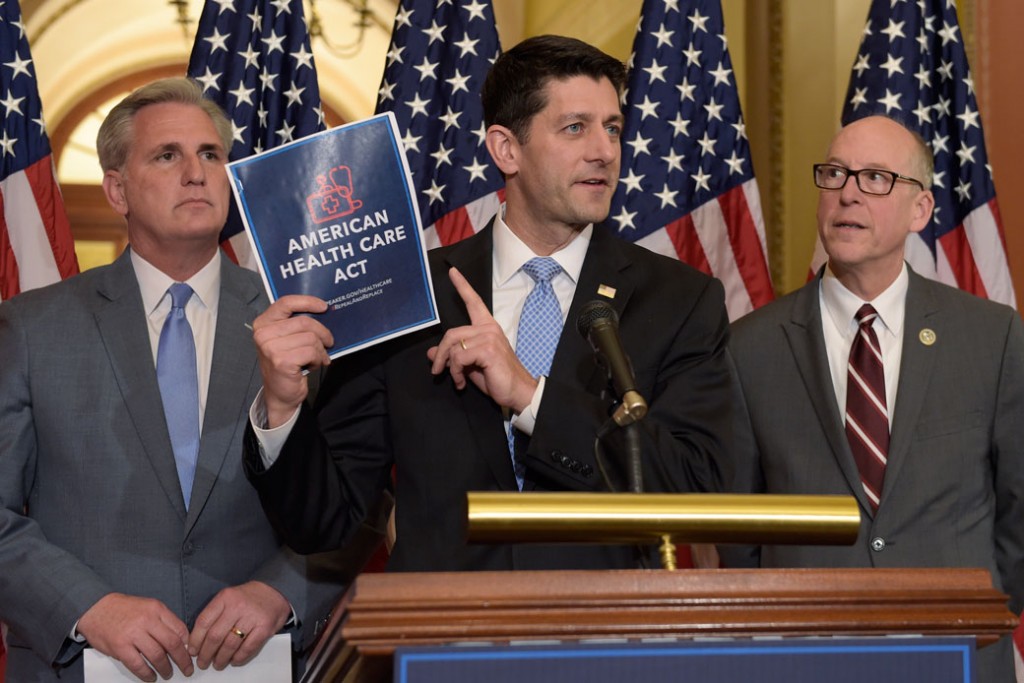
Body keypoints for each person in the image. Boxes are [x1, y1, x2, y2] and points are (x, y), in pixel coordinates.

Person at [243, 35, 733, 571]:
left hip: (603, 638)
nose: (605, 151)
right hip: (440, 639)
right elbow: (324, 522)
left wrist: (529, 397)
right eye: (575, 128)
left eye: (612, 128)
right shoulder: (409, 293)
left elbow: (701, 489)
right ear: (506, 149)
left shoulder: (680, 300)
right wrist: (284, 409)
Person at [0, 78, 362, 682]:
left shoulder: (306, 322)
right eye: (167, 156)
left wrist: (279, 593)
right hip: (79, 667)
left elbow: (360, 498)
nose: (196, 173)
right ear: (117, 189)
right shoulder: (31, 328)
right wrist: (87, 608)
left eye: (211, 155)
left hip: (261, 665)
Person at [722, 114, 1024, 679]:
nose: (849, 194)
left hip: (956, 650)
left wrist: (985, 615)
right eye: (835, 174)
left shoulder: (994, 337)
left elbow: (1018, 510)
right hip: (806, 654)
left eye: (876, 178)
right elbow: (742, 531)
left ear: (921, 210)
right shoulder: (749, 347)